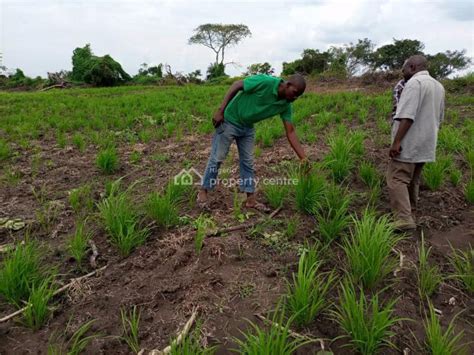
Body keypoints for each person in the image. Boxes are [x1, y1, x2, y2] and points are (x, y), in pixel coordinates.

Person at [197, 74, 307, 210]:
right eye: (294, 93)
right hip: (230, 120)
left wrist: (304, 159)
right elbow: (237, 85)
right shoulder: (266, 82)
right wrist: (221, 110)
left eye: (298, 96)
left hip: (247, 127)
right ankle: (203, 190)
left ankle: (250, 199)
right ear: (288, 84)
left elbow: (290, 132)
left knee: (247, 161)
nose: (294, 98)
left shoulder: (286, 105)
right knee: (217, 158)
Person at [387, 55, 445, 231]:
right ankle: (411, 210)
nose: (402, 73)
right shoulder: (438, 86)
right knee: (413, 179)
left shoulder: (414, 84)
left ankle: (403, 218)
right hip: (427, 143)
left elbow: (407, 116)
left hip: (409, 143)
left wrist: (396, 142)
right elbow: (440, 118)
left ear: (412, 67)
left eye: (404, 69)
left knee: (397, 178)